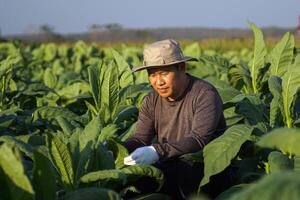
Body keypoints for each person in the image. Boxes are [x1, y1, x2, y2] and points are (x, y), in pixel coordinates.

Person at [123, 39, 232, 199]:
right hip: (170, 163)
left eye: (164, 73)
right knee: (133, 181)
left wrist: (156, 151)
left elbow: (198, 140)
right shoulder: (151, 100)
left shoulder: (204, 94)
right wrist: (115, 149)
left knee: (187, 167)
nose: (158, 82)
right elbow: (140, 139)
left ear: (182, 67)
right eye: (152, 75)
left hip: (207, 170)